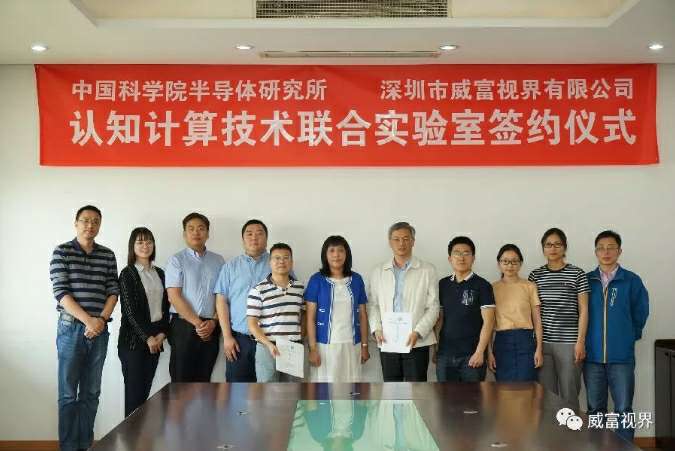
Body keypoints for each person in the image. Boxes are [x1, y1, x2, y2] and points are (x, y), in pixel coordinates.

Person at [49, 205, 119, 451]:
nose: (91, 225)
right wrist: (89, 321)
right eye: (86, 220)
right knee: (68, 394)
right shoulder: (62, 252)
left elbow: (113, 291)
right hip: (71, 329)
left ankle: (85, 445)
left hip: (99, 331)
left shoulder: (107, 255)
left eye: (96, 221)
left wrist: (101, 320)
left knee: (91, 393)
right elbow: (61, 293)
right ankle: (69, 447)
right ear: (76, 223)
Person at [584, 230, 649, 442]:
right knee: (595, 409)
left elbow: (641, 313)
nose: (606, 252)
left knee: (623, 408)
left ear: (619, 251)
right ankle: (597, 446)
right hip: (592, 357)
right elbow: (579, 315)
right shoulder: (587, 280)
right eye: (601, 248)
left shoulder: (631, 280)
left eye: (611, 247)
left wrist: (627, 337)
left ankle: (625, 447)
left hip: (621, 357)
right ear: (595, 252)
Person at [368, 222, 439, 382]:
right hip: (387, 340)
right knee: (391, 390)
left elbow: (433, 307)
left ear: (413, 241)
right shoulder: (378, 271)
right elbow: (373, 305)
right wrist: (377, 329)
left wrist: (418, 332)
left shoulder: (427, 270)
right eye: (396, 239)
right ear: (390, 242)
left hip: (417, 342)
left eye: (406, 239)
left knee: (417, 391)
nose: (401, 243)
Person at [528, 228, 589, 409]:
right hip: (543, 344)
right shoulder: (535, 275)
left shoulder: (577, 274)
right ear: (543, 248)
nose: (553, 248)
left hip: (569, 344)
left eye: (557, 244)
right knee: (547, 396)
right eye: (548, 245)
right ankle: (551, 429)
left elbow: (584, 309)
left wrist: (580, 342)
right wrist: (536, 345)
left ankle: (572, 428)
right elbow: (533, 312)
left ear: (565, 247)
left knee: (569, 393)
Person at [165, 212, 225, 382]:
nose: (196, 232)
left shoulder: (219, 261)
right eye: (191, 229)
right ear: (184, 234)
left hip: (211, 326)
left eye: (201, 228)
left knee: (204, 381)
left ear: (207, 233)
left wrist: (213, 322)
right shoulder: (176, 260)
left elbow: (222, 296)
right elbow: (174, 296)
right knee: (180, 382)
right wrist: (199, 324)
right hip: (183, 326)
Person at [118, 227, 170, 417]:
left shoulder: (161, 273)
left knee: (144, 397)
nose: (145, 246)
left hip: (156, 340)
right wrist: (147, 338)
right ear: (132, 246)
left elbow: (166, 307)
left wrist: (162, 334)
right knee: (134, 398)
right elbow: (129, 312)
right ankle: (130, 435)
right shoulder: (127, 274)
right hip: (133, 343)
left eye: (149, 241)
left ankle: (140, 435)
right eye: (140, 242)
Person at [305, 235, 370, 383]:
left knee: (351, 388)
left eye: (341, 250)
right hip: (324, 346)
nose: (336, 255)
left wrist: (365, 346)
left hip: (352, 344)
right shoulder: (316, 280)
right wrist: (313, 349)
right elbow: (310, 318)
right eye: (332, 250)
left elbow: (363, 316)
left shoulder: (357, 279)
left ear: (347, 254)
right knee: (325, 388)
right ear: (325, 255)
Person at [215, 219, 271, 382]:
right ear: (242, 239)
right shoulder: (230, 267)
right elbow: (221, 301)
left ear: (266, 238)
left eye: (259, 233)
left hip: (270, 340)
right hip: (239, 341)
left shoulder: (277, 263)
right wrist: (227, 337)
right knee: (237, 391)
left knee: (270, 391)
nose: (254, 237)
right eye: (249, 234)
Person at [434, 236, 495, 382]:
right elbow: (439, 319)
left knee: (472, 397)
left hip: (472, 356)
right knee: (445, 396)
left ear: (473, 258)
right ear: (450, 258)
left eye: (466, 253)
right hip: (445, 355)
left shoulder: (483, 285)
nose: (461, 258)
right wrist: (436, 349)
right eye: (457, 253)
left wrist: (480, 352)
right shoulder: (443, 284)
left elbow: (489, 322)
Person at [247, 243, 305, 382]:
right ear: (270, 262)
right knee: (267, 391)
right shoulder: (258, 290)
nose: (281, 261)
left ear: (292, 262)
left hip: (293, 347)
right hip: (267, 348)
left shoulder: (300, 288)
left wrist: (300, 338)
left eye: (286, 258)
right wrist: (268, 344)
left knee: (293, 390)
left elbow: (305, 316)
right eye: (277, 258)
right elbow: (252, 323)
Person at [489, 244, 543, 382]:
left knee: (527, 387)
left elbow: (537, 320)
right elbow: (488, 323)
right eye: (505, 261)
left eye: (514, 261)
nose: (510, 265)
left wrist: (539, 349)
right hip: (502, 342)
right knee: (504, 389)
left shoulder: (529, 286)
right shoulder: (491, 288)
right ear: (499, 264)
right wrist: (489, 352)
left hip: (526, 341)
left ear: (520, 264)